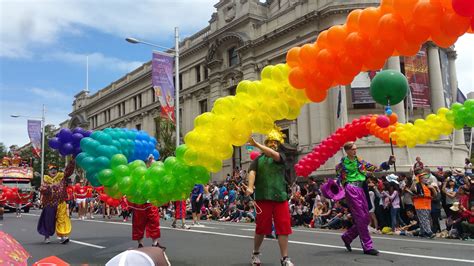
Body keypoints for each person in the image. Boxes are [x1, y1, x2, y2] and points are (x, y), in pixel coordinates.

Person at [245, 126, 294, 266]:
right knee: (261, 228)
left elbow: (274, 155)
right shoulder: (258, 160)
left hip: (280, 197)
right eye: (270, 142)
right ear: (266, 143)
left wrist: (256, 144)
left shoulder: (282, 156)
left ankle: (285, 258)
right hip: (262, 197)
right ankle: (255, 254)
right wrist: (250, 186)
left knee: (283, 228)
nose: (273, 144)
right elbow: (252, 172)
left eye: (275, 142)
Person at [336, 141, 379, 256]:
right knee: (361, 217)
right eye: (353, 149)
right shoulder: (341, 165)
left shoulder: (360, 161)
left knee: (366, 219)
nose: (355, 151)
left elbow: (374, 168)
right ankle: (368, 247)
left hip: (361, 189)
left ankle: (347, 237)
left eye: (356, 149)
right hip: (351, 189)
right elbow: (338, 181)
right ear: (347, 151)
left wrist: (388, 163)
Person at [129, 155, 164, 249]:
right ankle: (140, 243)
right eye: (152, 162)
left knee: (154, 222)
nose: (154, 164)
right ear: (147, 163)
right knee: (138, 224)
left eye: (154, 162)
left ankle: (155, 243)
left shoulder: (156, 174)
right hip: (140, 203)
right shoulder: (140, 172)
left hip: (151, 202)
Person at [37, 161, 75, 244]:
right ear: (49, 172)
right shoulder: (46, 181)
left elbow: (69, 170)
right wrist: (49, 187)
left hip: (61, 203)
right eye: (51, 170)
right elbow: (42, 190)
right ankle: (47, 237)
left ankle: (62, 237)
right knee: (48, 221)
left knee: (62, 219)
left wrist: (72, 161)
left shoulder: (62, 178)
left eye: (55, 169)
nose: (53, 171)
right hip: (49, 204)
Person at [410, 169, 436, 238]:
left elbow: (435, 195)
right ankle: (429, 232)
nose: (425, 179)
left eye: (425, 177)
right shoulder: (418, 185)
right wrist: (414, 181)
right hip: (420, 205)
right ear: (420, 179)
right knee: (424, 219)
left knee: (424, 218)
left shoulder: (428, 186)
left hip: (427, 205)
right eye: (423, 178)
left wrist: (433, 189)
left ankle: (422, 232)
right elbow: (412, 189)